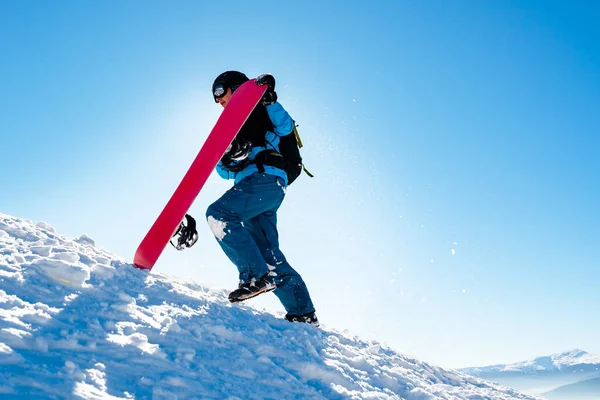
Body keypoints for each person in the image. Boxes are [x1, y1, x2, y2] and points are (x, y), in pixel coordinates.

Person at [205, 71, 319, 326]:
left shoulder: (261, 109)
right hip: (256, 189)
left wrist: (267, 99)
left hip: (266, 180)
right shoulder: (230, 127)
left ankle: (255, 275)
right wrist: (227, 156)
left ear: (236, 88)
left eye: (221, 93)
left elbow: (285, 126)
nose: (218, 101)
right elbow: (223, 171)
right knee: (269, 254)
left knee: (219, 214)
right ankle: (303, 313)